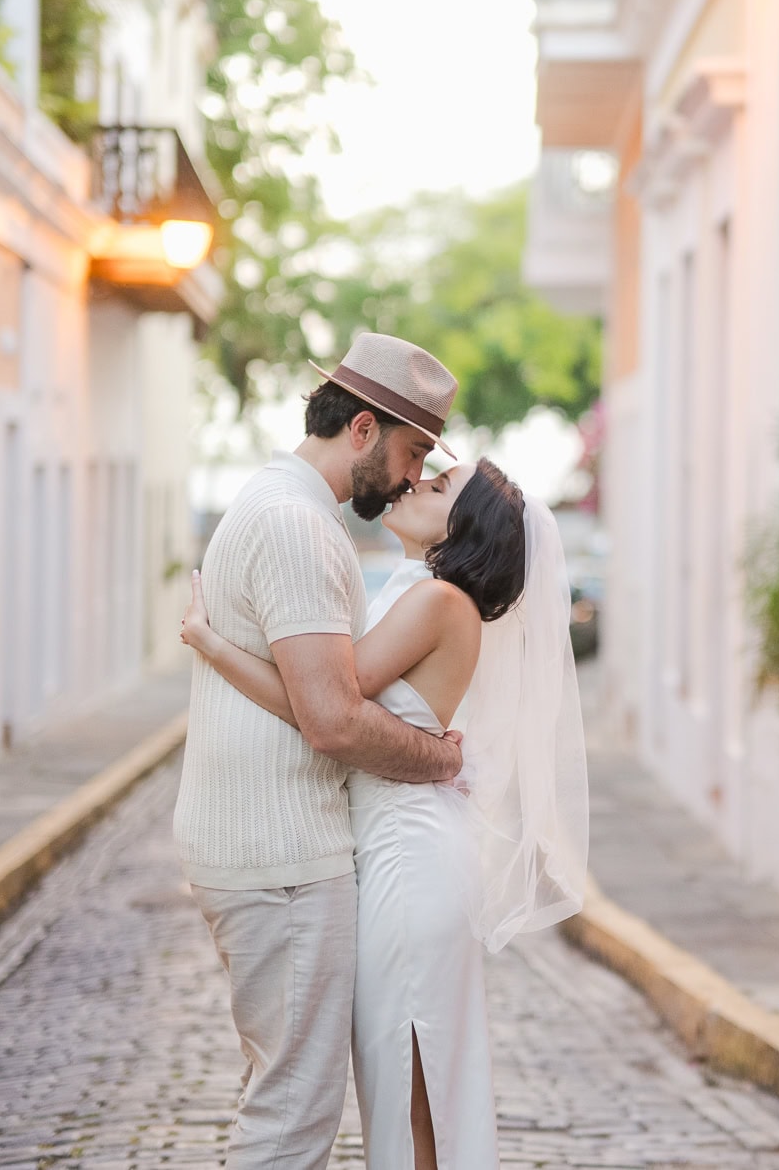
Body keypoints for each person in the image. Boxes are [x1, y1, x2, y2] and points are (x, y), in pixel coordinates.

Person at [183, 455, 589, 1169]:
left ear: (462, 529)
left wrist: (214, 645)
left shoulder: (436, 602)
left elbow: (324, 711)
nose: (412, 485)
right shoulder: (420, 592)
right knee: (408, 1082)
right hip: (404, 850)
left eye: (437, 489)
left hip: (409, 860)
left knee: (410, 1083)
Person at [173, 333, 467, 1169]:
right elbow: (332, 719)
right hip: (283, 862)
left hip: (265, 852)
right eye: (413, 453)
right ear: (363, 429)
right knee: (293, 1115)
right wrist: (441, 759)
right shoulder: (298, 526)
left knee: (283, 1096)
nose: (414, 477)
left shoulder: (277, 503)